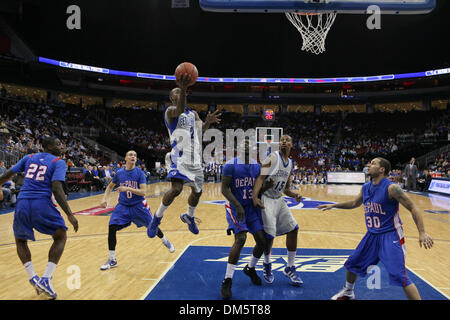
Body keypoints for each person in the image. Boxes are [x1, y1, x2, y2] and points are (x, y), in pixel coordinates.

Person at [318, 157, 434, 300]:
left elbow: (413, 207)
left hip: (390, 235)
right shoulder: (366, 187)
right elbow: (355, 203)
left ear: (382, 169)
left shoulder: (391, 188)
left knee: (399, 275)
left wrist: (422, 232)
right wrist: (334, 205)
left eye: (373, 163)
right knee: (352, 263)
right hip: (372, 235)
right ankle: (348, 292)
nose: (368, 165)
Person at [0, 136, 78, 299]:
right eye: (58, 144)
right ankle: (46, 278)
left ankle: (32, 277)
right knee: (60, 236)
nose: (62, 146)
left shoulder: (28, 158)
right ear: (48, 146)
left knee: (20, 240)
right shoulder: (58, 162)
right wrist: (70, 214)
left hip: (22, 203)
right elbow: (57, 189)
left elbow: (7, 175)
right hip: (41, 203)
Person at [148, 74, 221, 237]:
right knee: (176, 189)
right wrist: (183, 87)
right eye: (177, 93)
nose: (180, 94)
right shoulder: (170, 111)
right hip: (178, 156)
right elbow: (179, 109)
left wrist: (208, 121)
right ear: (172, 97)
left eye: (182, 93)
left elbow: (201, 129)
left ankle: (189, 216)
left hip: (194, 158)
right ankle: (157, 218)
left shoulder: (193, 113)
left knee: (197, 191)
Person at [99, 150, 174, 271]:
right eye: (130, 155)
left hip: (138, 206)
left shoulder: (140, 173)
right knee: (111, 226)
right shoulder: (119, 173)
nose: (133, 156)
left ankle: (165, 240)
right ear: (125, 158)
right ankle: (112, 260)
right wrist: (104, 199)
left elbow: (143, 192)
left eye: (135, 155)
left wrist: (127, 188)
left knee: (152, 226)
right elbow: (110, 186)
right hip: (123, 206)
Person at [252, 135, 304, 286]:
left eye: (288, 140)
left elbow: (286, 188)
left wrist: (294, 195)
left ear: (292, 144)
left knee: (293, 228)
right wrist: (255, 197)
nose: (284, 142)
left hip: (279, 199)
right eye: (282, 140)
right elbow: (260, 178)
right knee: (269, 235)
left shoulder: (290, 163)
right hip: (267, 197)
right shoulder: (272, 157)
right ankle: (267, 264)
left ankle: (290, 267)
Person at [220, 139, 268, 299]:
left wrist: (267, 186)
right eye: (243, 143)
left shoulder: (257, 166)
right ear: (238, 148)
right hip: (235, 207)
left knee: (262, 241)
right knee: (240, 239)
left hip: (251, 207)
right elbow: (224, 189)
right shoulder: (230, 165)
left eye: (249, 143)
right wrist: (238, 205)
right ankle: (227, 280)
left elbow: (258, 189)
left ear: (253, 148)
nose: (246, 145)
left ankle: (250, 268)